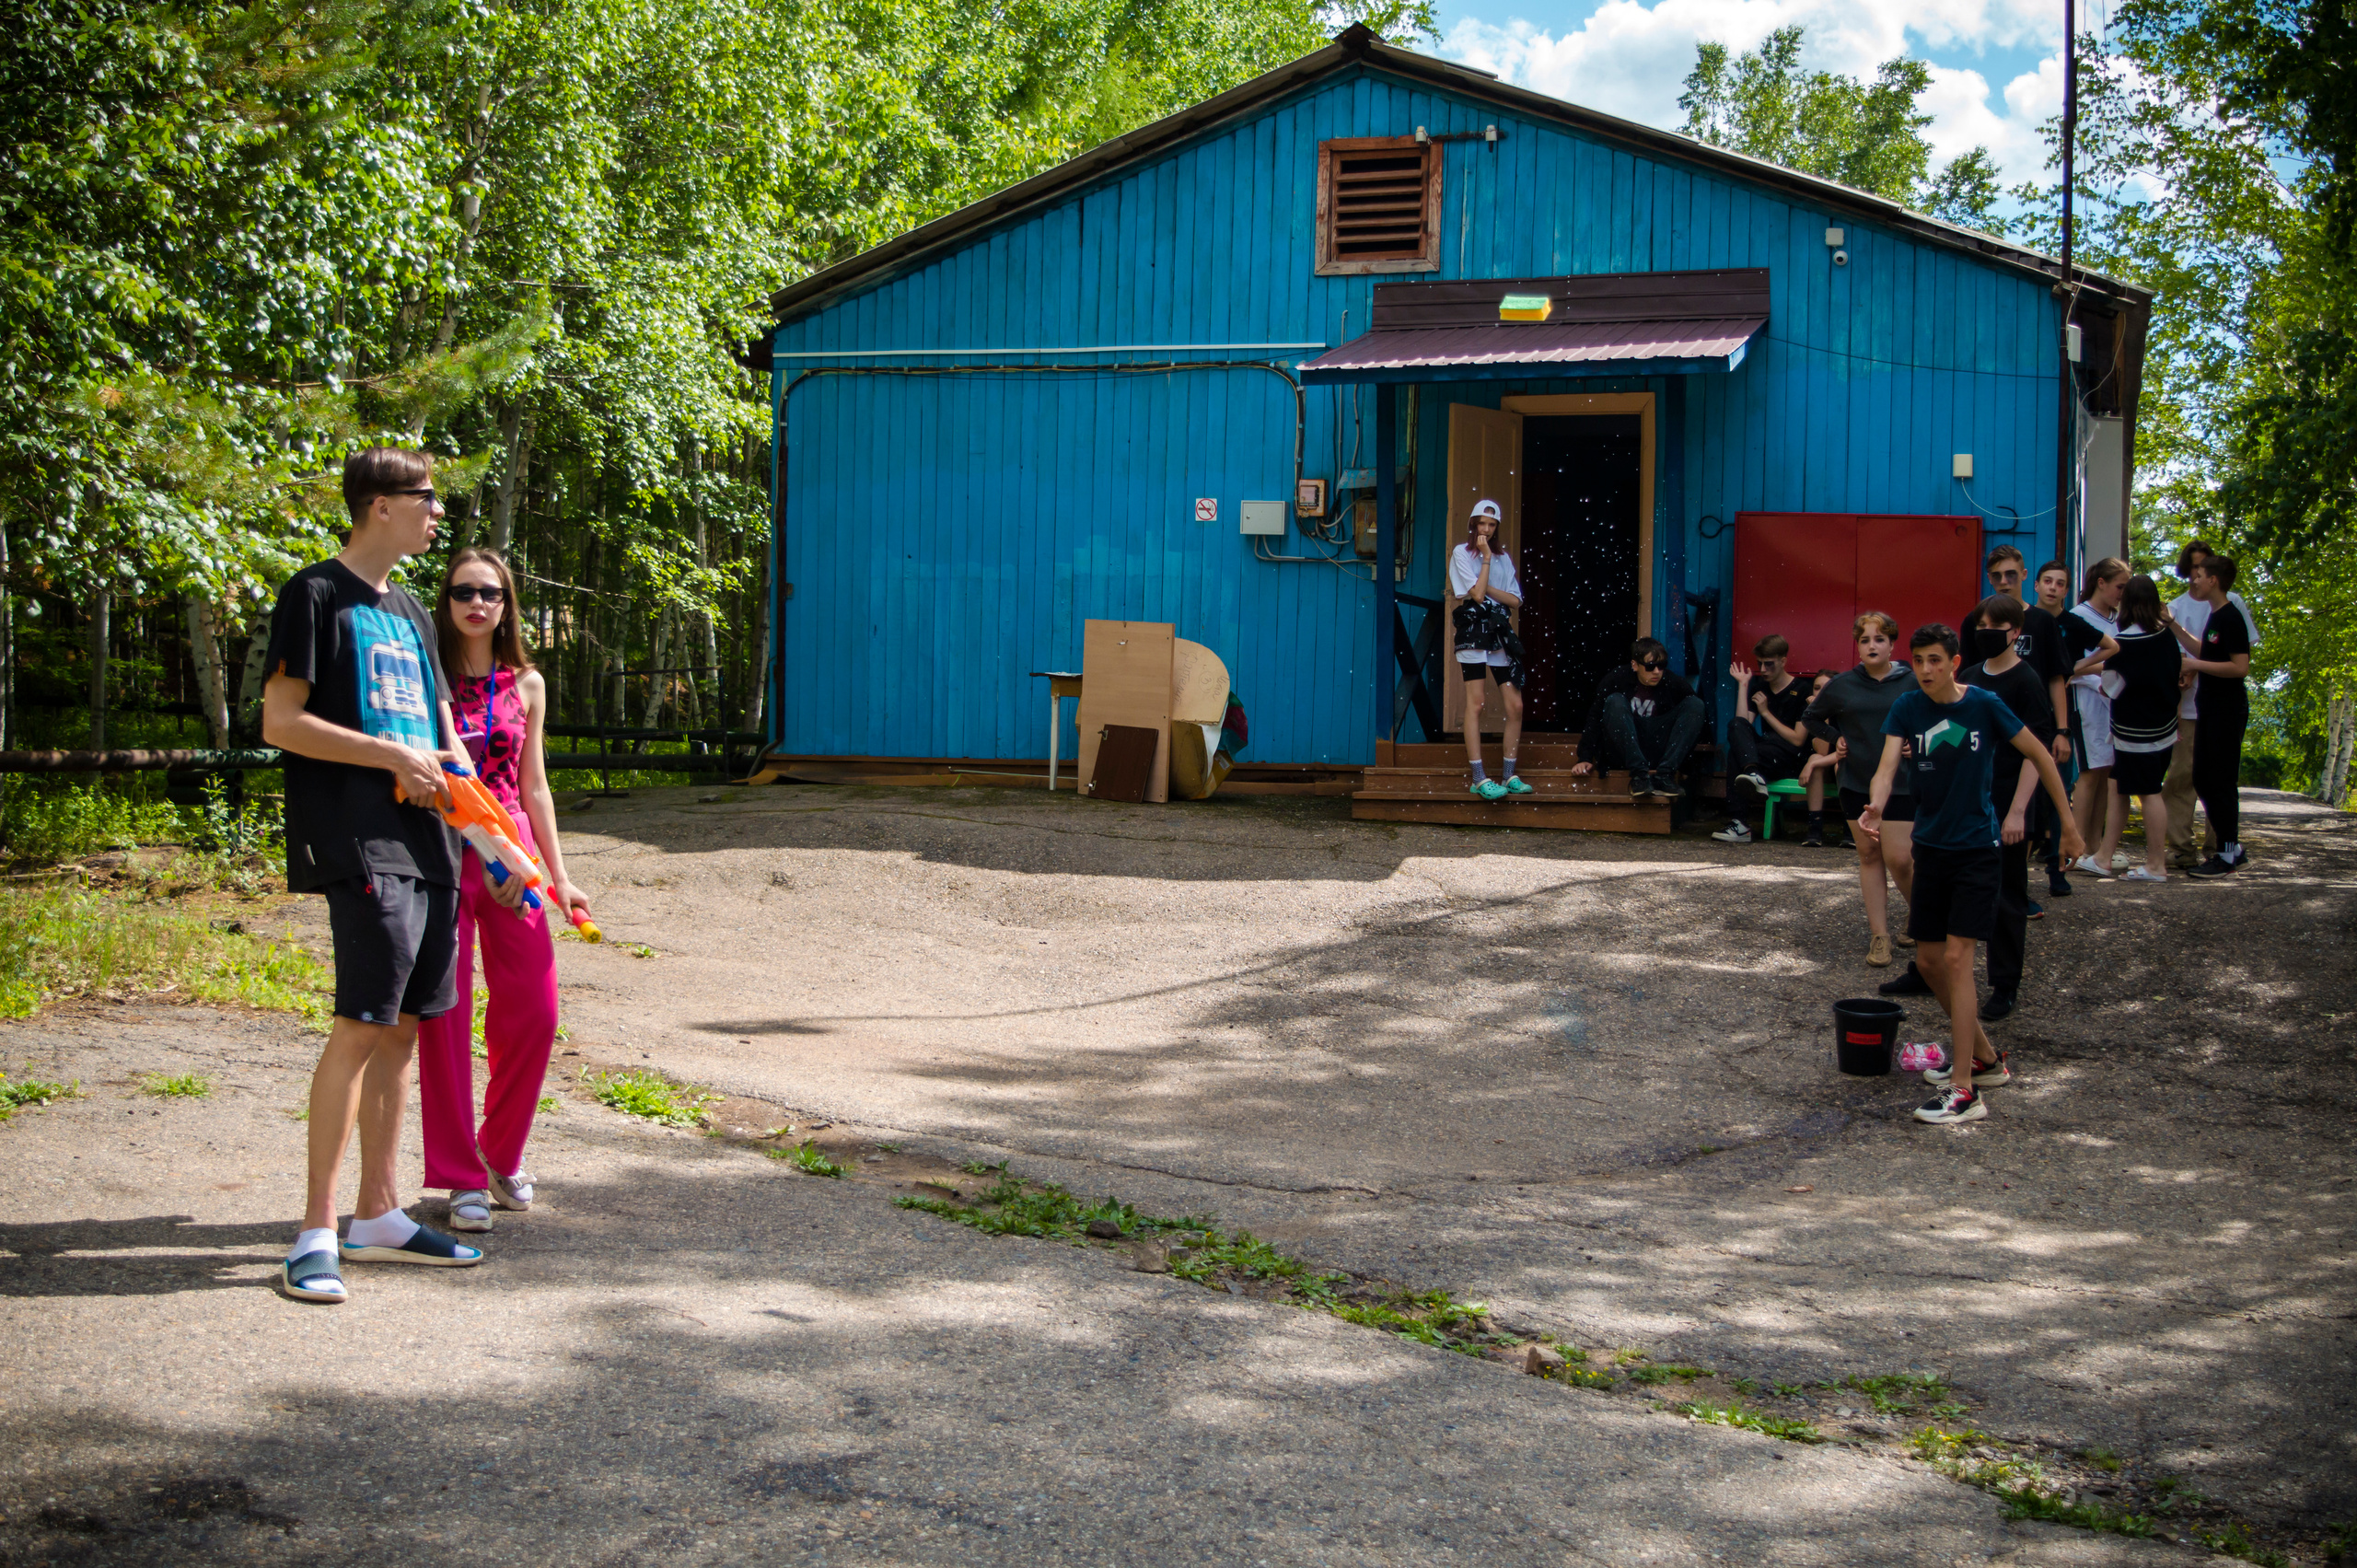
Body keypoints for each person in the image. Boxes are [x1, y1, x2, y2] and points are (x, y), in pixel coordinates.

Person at [261, 447, 484, 1304]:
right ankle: (315, 1231)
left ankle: (379, 1215)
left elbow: (439, 727)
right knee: (362, 1020)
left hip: (432, 841)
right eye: (426, 499)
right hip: (358, 837)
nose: (437, 513)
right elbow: (283, 721)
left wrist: (491, 825)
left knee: (405, 1028)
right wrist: (387, 754)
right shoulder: (314, 594)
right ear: (379, 506)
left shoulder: (415, 613)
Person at [415, 549, 593, 1233]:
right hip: (444, 844)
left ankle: (500, 1150)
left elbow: (535, 784)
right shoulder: (428, 677)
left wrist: (560, 874)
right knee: (446, 1014)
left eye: (489, 591)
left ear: (507, 602)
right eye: (463, 590)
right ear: (448, 600)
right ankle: (459, 1176)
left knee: (535, 1009)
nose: (476, 602)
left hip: (511, 856)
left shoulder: (528, 683)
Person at [1862, 623, 2083, 1125]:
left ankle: (1965, 1090)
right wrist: (1875, 804)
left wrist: (2067, 826)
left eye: (1935, 660)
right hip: (1931, 850)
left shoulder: (1983, 704)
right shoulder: (1907, 708)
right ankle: (1986, 1060)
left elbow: (2041, 755)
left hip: (1977, 851)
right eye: (1918, 661)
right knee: (1931, 961)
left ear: (1954, 662)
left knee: (1959, 959)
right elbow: (1887, 764)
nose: (1925, 670)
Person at [1955, 596, 2057, 1021]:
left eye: (1996, 626)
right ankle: (1941, 972)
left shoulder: (2026, 680)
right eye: (1981, 625)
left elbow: (2038, 751)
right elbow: (1957, 730)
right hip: (1970, 800)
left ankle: (2004, 985)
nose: (1986, 632)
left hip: (2010, 802)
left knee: (2007, 895)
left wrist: (2017, 812)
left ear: (2015, 632)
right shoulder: (1972, 675)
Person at [1802, 613, 1918, 965]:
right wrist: (1835, 738)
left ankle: (1922, 914)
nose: (1872, 646)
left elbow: (1937, 715)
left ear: (1892, 644)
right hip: (1856, 781)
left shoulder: (1912, 681)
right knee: (1869, 856)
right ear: (1857, 645)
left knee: (1900, 859)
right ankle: (1879, 936)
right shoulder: (1843, 684)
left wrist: (1919, 740)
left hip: (1900, 783)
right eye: (1865, 640)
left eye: (1879, 639)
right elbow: (1811, 717)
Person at [1972, 547, 2075, 900]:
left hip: (2035, 738)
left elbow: (2057, 678)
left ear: (2024, 575)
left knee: (2040, 806)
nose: (2004, 581)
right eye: (1997, 575)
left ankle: (2052, 873)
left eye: (2011, 575)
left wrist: (2062, 730)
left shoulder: (2043, 622)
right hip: (1986, 756)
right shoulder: (1977, 623)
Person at [2160, 540, 2259, 870]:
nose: (2194, 580)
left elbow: (2240, 667)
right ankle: (2229, 848)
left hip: (2226, 710)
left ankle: (2228, 849)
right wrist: (2172, 624)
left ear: (2213, 580)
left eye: (2199, 575)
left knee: (2220, 780)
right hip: (2207, 708)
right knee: (2202, 777)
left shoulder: (2231, 616)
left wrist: (2194, 667)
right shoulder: (2217, 617)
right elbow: (2204, 651)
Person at [2087, 574, 2182, 883]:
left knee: (2149, 793)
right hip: (2164, 728)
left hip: (2134, 733)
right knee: (2118, 787)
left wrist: (2080, 670)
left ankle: (2156, 865)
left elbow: (2110, 686)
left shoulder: (2124, 642)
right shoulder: (2166, 636)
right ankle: (2103, 856)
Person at [1449, 499, 1528, 801]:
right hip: (1472, 631)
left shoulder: (1504, 558)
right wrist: (1484, 559)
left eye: (1491, 524)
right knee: (1477, 703)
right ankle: (1479, 777)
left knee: (1515, 705)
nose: (1486, 529)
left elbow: (1516, 601)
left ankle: (1509, 775)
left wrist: (1494, 580)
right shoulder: (1461, 553)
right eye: (1481, 523)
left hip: (1498, 632)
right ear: (1473, 525)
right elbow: (1477, 595)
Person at [1571, 637, 1704, 800]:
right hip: (1625, 750)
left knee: (1695, 704)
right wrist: (1585, 757)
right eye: (1650, 666)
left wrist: (1685, 767)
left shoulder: (1671, 682)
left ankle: (1664, 776)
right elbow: (1595, 717)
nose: (1656, 672)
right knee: (1615, 701)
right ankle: (1640, 777)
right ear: (1635, 665)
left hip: (1656, 746)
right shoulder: (1617, 679)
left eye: (1661, 666)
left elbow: (1692, 721)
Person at [2063, 558, 2130, 877]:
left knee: (2105, 773)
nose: (2123, 592)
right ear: (2100, 583)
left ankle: (2095, 845)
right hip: (2086, 704)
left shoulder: (2117, 619)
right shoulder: (2079, 617)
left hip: (2111, 707)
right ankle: (2072, 847)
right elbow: (2071, 667)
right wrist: (2100, 681)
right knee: (2089, 774)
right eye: (2120, 586)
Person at [1714, 635, 1814, 843]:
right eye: (1760, 663)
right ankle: (1753, 773)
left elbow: (1797, 740)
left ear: (1783, 662)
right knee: (1735, 726)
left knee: (1737, 754)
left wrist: (1766, 713)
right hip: (1764, 754)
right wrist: (1743, 685)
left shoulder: (1802, 689)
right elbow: (1742, 726)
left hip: (1790, 756)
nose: (1763, 669)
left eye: (1769, 664)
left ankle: (1740, 822)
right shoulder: (1759, 685)